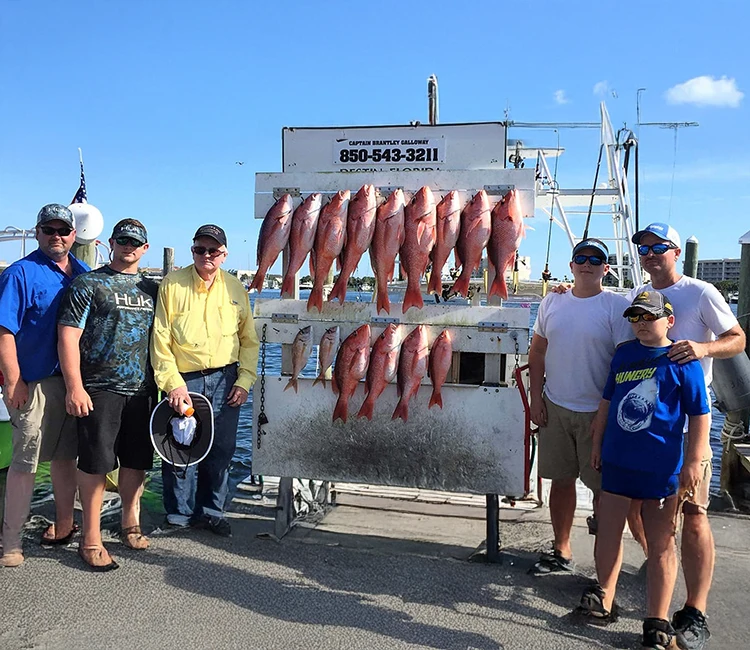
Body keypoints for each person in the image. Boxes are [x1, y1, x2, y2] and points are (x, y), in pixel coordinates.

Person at [626, 222, 746, 650]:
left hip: (690, 424)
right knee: (640, 511)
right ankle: (661, 566)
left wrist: (702, 348)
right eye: (644, 247)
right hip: (648, 427)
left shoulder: (700, 292)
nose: (651, 253)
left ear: (676, 251)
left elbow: (737, 338)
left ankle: (695, 610)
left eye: (660, 246)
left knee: (694, 513)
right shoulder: (635, 297)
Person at [576, 290, 710, 650]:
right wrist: (596, 444)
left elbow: (700, 415)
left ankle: (656, 618)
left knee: (662, 542)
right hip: (618, 461)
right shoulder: (623, 354)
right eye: (635, 317)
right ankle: (604, 596)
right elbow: (607, 402)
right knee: (608, 529)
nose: (640, 324)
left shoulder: (683, 360)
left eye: (648, 317)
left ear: (669, 320)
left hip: (661, 466)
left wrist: (693, 462)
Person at [57, 219, 158, 571]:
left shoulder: (153, 289)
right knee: (96, 463)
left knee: (136, 461)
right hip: (100, 387)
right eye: (123, 240)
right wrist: (75, 386)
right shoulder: (88, 283)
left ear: (145, 248)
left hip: (144, 389)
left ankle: (130, 523)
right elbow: (68, 336)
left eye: (136, 242)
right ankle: (91, 537)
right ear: (112, 242)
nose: (129, 246)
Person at [528, 239, 632, 574]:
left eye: (596, 259)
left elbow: (624, 362)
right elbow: (537, 353)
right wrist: (535, 399)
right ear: (571, 265)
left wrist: (610, 413)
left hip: (597, 413)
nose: (587, 263)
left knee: (603, 490)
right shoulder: (552, 301)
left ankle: (606, 567)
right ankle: (561, 549)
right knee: (560, 481)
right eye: (580, 258)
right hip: (555, 406)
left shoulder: (616, 306)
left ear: (606, 267)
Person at [150, 224, 259, 536]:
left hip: (227, 378)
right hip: (185, 380)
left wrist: (245, 380)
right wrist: (172, 383)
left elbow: (249, 340)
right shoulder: (172, 284)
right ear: (192, 251)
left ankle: (211, 511)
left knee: (222, 450)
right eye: (200, 249)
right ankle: (178, 515)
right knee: (180, 448)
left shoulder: (237, 288)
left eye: (213, 250)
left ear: (224, 254)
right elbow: (160, 339)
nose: (207, 255)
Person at [0, 204, 89, 567]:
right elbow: (5, 332)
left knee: (66, 456)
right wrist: (13, 381)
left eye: (63, 230)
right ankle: (10, 541)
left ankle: (65, 524)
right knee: (25, 461)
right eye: (49, 230)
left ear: (73, 235)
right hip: (32, 383)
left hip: (69, 383)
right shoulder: (20, 274)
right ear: (37, 233)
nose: (56, 236)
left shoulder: (83, 273)